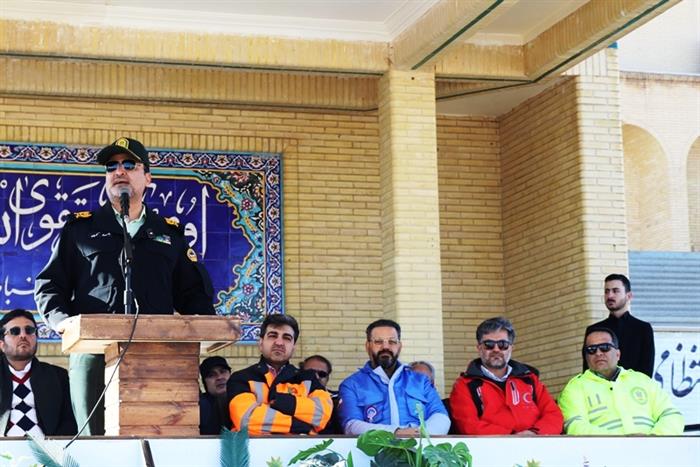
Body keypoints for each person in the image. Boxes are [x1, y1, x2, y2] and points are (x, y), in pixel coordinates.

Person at [34, 136, 216, 435]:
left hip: (156, 353)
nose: (119, 171)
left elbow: (193, 293)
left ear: (148, 177)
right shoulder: (81, 229)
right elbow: (50, 283)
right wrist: (62, 322)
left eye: (129, 164)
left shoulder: (169, 233)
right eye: (112, 166)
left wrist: (206, 327)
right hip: (93, 354)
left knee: (155, 438)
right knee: (94, 442)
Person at [449, 317, 563, 435]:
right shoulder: (464, 385)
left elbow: (554, 415)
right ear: (479, 348)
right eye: (489, 344)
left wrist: (533, 434)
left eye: (503, 344)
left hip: (536, 442)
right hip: (493, 446)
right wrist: (512, 438)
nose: (496, 349)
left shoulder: (530, 379)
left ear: (511, 348)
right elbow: (469, 426)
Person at [559, 326, 683, 435]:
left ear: (618, 354)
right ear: (586, 357)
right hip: (604, 453)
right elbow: (575, 427)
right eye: (591, 349)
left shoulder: (641, 380)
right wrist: (622, 442)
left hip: (654, 450)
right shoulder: (575, 387)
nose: (598, 353)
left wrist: (653, 439)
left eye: (605, 347)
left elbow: (671, 415)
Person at [338, 319, 450, 436]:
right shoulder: (352, 384)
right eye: (378, 342)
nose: (385, 347)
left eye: (392, 342)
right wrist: (395, 433)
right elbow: (351, 426)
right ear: (368, 346)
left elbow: (441, 416)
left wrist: (419, 435)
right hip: (375, 447)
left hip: (418, 445)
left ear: (399, 346)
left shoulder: (420, 381)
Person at [227, 314, 332, 435]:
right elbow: (247, 420)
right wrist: (300, 426)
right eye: (273, 336)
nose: (279, 342)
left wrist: (281, 402)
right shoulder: (241, 378)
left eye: (287, 338)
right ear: (261, 343)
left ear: (293, 348)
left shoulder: (308, 379)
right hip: (253, 447)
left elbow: (322, 415)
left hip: (299, 447)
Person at [0, 309, 77, 437]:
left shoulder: (58, 377)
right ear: (1, 344)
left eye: (29, 330)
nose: (23, 335)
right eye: (15, 331)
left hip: (47, 448)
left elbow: (69, 423)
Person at [584, 273, 655, 377]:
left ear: (629, 296)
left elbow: (646, 372)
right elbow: (587, 371)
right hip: (599, 387)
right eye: (607, 291)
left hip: (634, 386)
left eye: (615, 291)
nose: (610, 296)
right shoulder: (593, 331)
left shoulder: (643, 328)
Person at [300, 354, 342, 434]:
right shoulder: (290, 396)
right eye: (310, 373)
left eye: (322, 374)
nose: (316, 377)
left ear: (327, 378)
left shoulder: (337, 399)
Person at [199, 356, 232, 435]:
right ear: (205, 383)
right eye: (211, 375)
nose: (219, 377)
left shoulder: (243, 399)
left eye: (223, 372)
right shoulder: (201, 406)